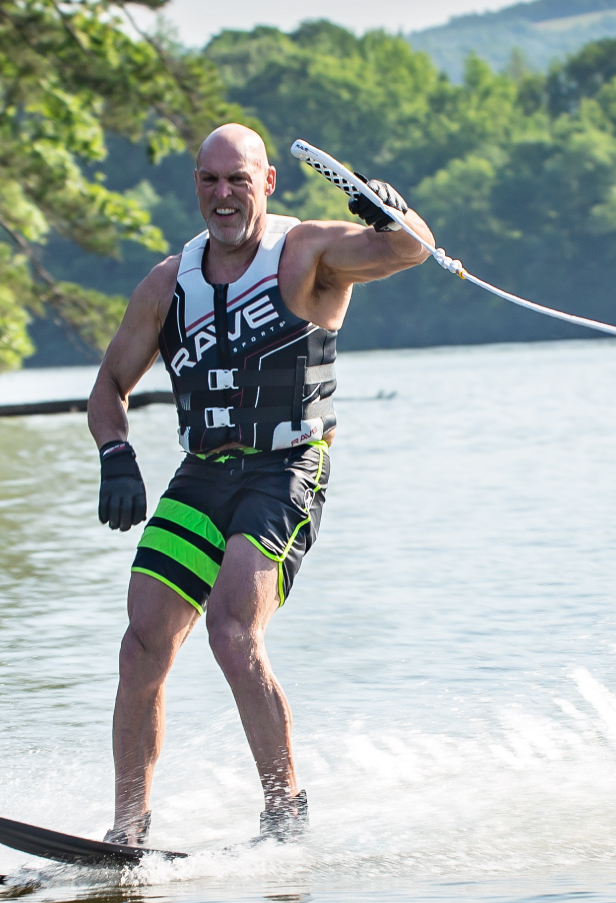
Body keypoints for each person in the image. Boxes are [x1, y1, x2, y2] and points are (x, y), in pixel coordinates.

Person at [87, 123, 433, 845]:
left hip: (286, 468)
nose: (223, 196)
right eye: (210, 181)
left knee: (232, 629)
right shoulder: (167, 282)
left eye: (237, 180)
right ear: (196, 186)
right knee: (142, 642)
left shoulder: (306, 251)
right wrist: (115, 451)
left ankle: (284, 816)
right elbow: (110, 385)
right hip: (204, 473)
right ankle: (126, 834)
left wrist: (390, 210)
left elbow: (410, 249)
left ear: (267, 182)